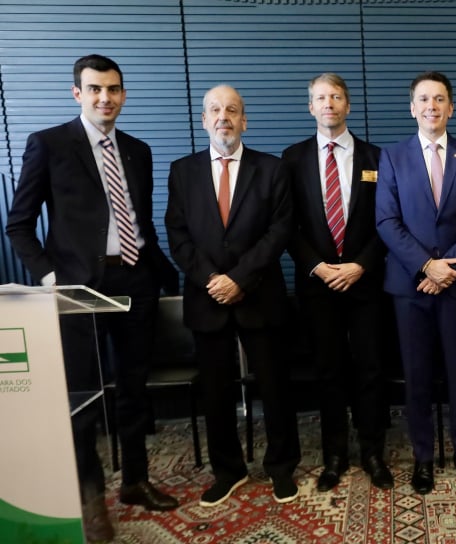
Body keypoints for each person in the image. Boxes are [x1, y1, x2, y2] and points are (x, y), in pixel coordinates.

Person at [5, 54, 179, 542]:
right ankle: (90, 497)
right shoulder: (49, 144)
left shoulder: (138, 150)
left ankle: (137, 482)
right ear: (77, 93)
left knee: (134, 386)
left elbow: (139, 224)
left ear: (123, 94)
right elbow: (19, 225)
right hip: (76, 291)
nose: (106, 98)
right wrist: (51, 276)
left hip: (137, 281)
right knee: (82, 396)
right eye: (96, 89)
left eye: (114, 89)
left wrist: (168, 276)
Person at [165, 84, 301, 507]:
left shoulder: (273, 169)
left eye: (232, 110)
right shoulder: (182, 171)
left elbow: (279, 231)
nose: (223, 116)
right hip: (207, 297)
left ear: (245, 120)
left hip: (259, 294)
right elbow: (177, 234)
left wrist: (239, 278)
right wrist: (212, 278)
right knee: (215, 392)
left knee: (276, 386)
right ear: (204, 120)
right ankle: (228, 471)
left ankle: (281, 467)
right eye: (214, 110)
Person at [374, 71, 456, 494]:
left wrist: (447, 269)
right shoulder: (392, 157)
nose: (431, 106)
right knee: (418, 373)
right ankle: (423, 457)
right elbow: (386, 220)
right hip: (410, 286)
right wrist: (427, 266)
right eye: (423, 99)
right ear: (412, 107)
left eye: (439, 99)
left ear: (451, 107)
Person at [282, 73, 393, 492]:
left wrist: (360, 265)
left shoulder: (377, 157)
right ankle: (335, 454)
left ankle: (372, 451)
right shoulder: (290, 159)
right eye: (320, 97)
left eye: (336, 96)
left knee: (369, 369)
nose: (329, 103)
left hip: (365, 282)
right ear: (310, 106)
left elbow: (387, 221)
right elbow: (286, 225)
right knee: (328, 371)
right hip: (317, 285)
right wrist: (319, 266)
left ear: (347, 105)